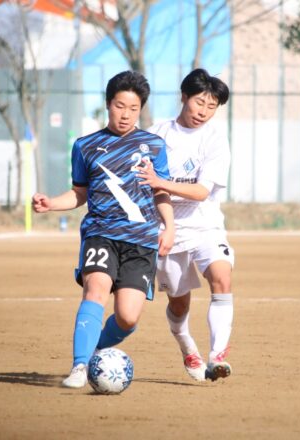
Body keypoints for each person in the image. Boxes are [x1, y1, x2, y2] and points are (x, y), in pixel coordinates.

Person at [32, 71, 175, 388]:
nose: (125, 114)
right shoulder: (85, 146)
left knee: (128, 317)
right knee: (95, 290)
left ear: (141, 110)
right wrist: (51, 203)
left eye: (133, 108)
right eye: (120, 106)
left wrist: (170, 226)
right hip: (101, 234)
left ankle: (94, 348)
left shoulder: (154, 146)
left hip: (141, 241)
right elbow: (79, 193)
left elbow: (160, 191)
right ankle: (80, 366)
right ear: (108, 104)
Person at [136, 68, 234, 381]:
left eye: (212, 106)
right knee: (179, 304)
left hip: (205, 225)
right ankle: (186, 345)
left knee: (222, 277)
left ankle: (217, 356)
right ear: (184, 97)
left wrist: (161, 181)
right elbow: (145, 184)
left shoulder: (215, 139)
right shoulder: (156, 135)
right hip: (167, 230)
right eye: (199, 102)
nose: (204, 111)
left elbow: (202, 192)